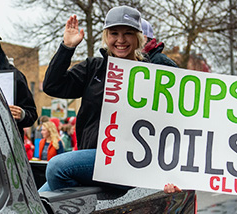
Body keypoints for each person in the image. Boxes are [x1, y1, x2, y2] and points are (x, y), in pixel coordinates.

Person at [39, 6, 181, 194]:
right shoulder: (94, 67)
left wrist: (170, 175)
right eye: (114, 33)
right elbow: (52, 86)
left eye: (128, 33)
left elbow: (171, 125)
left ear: (138, 37)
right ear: (106, 36)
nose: (120, 40)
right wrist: (67, 48)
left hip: (129, 162)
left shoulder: (152, 76)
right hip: (92, 159)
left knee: (57, 167)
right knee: (36, 202)